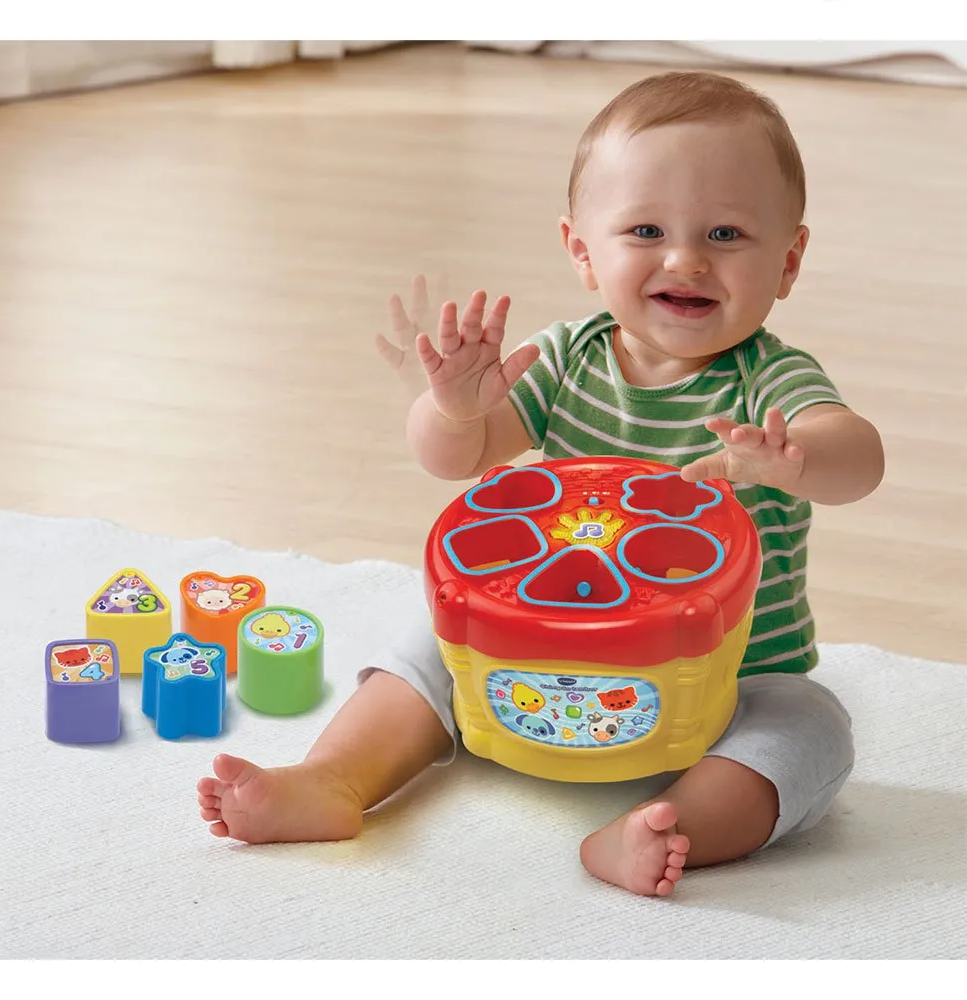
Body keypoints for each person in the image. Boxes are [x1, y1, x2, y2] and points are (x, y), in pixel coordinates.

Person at [196, 71, 884, 897]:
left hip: (732, 679)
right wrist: (454, 409)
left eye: (727, 233)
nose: (686, 259)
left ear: (789, 260)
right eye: (646, 229)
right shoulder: (565, 359)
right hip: (534, 653)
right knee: (426, 650)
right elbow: (455, 458)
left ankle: (664, 828)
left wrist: (794, 458)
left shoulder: (768, 380)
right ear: (583, 251)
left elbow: (860, 457)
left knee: (812, 729)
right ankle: (332, 779)